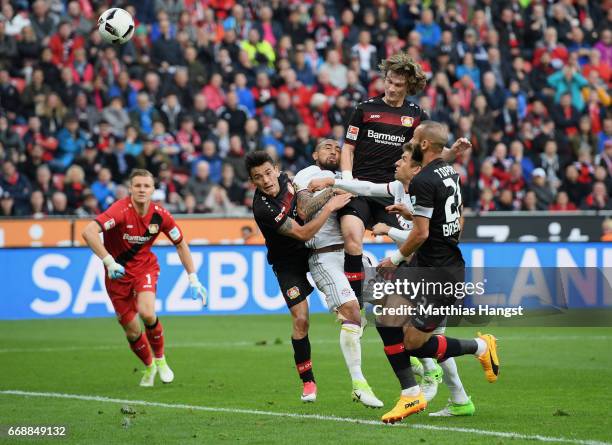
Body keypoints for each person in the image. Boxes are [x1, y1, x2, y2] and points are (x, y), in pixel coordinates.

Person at [309, 138, 475, 416]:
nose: (395, 162)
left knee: (423, 339)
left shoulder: (426, 188)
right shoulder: (399, 188)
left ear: (415, 167)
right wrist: (334, 184)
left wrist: (391, 233)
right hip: (417, 269)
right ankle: (444, 393)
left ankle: (456, 376)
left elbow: (425, 235)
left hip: (434, 270)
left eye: (402, 159)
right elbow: (367, 187)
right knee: (392, 320)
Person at [375, 122, 499, 423]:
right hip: (426, 266)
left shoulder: (423, 181)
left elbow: (419, 235)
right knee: (385, 317)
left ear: (426, 145)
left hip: (441, 274)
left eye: (415, 139)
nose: (411, 142)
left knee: (413, 344)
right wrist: (415, 216)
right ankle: (410, 394)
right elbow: (453, 221)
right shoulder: (449, 172)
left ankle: (482, 346)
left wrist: (394, 258)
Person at [81, 169, 207, 387]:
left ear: (153, 190)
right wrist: (109, 261)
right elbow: (89, 232)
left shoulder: (161, 215)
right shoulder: (119, 211)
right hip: (117, 274)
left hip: (144, 269)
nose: (141, 190)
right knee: (132, 330)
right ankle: (149, 366)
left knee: (148, 313)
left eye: (146, 186)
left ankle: (161, 360)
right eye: (137, 186)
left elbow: (181, 244)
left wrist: (193, 278)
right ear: (130, 188)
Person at [246, 150, 351, 402]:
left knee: (347, 298)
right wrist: (331, 204)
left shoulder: (289, 180)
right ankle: (308, 382)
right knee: (301, 320)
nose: (266, 180)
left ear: (277, 169)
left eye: (268, 173)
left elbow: (306, 208)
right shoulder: (263, 208)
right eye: (258, 177)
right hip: (287, 264)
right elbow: (302, 232)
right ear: (253, 182)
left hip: (313, 251)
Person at [293, 139, 383, 408]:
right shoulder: (308, 174)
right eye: (326, 147)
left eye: (336, 147)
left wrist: (338, 183)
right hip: (325, 255)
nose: (333, 151)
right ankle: (358, 384)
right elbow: (303, 209)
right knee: (353, 312)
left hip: (355, 253)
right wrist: (333, 192)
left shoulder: (346, 176)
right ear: (314, 153)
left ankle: (416, 360)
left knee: (394, 308)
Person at [338, 52, 428, 310]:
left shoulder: (418, 116)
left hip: (393, 194)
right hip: (360, 189)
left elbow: (426, 155)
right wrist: (346, 181)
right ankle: (354, 307)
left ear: (408, 87)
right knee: (352, 240)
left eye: (398, 85)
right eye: (388, 81)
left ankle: (407, 305)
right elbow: (348, 147)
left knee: (412, 249)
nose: (391, 88)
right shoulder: (365, 109)